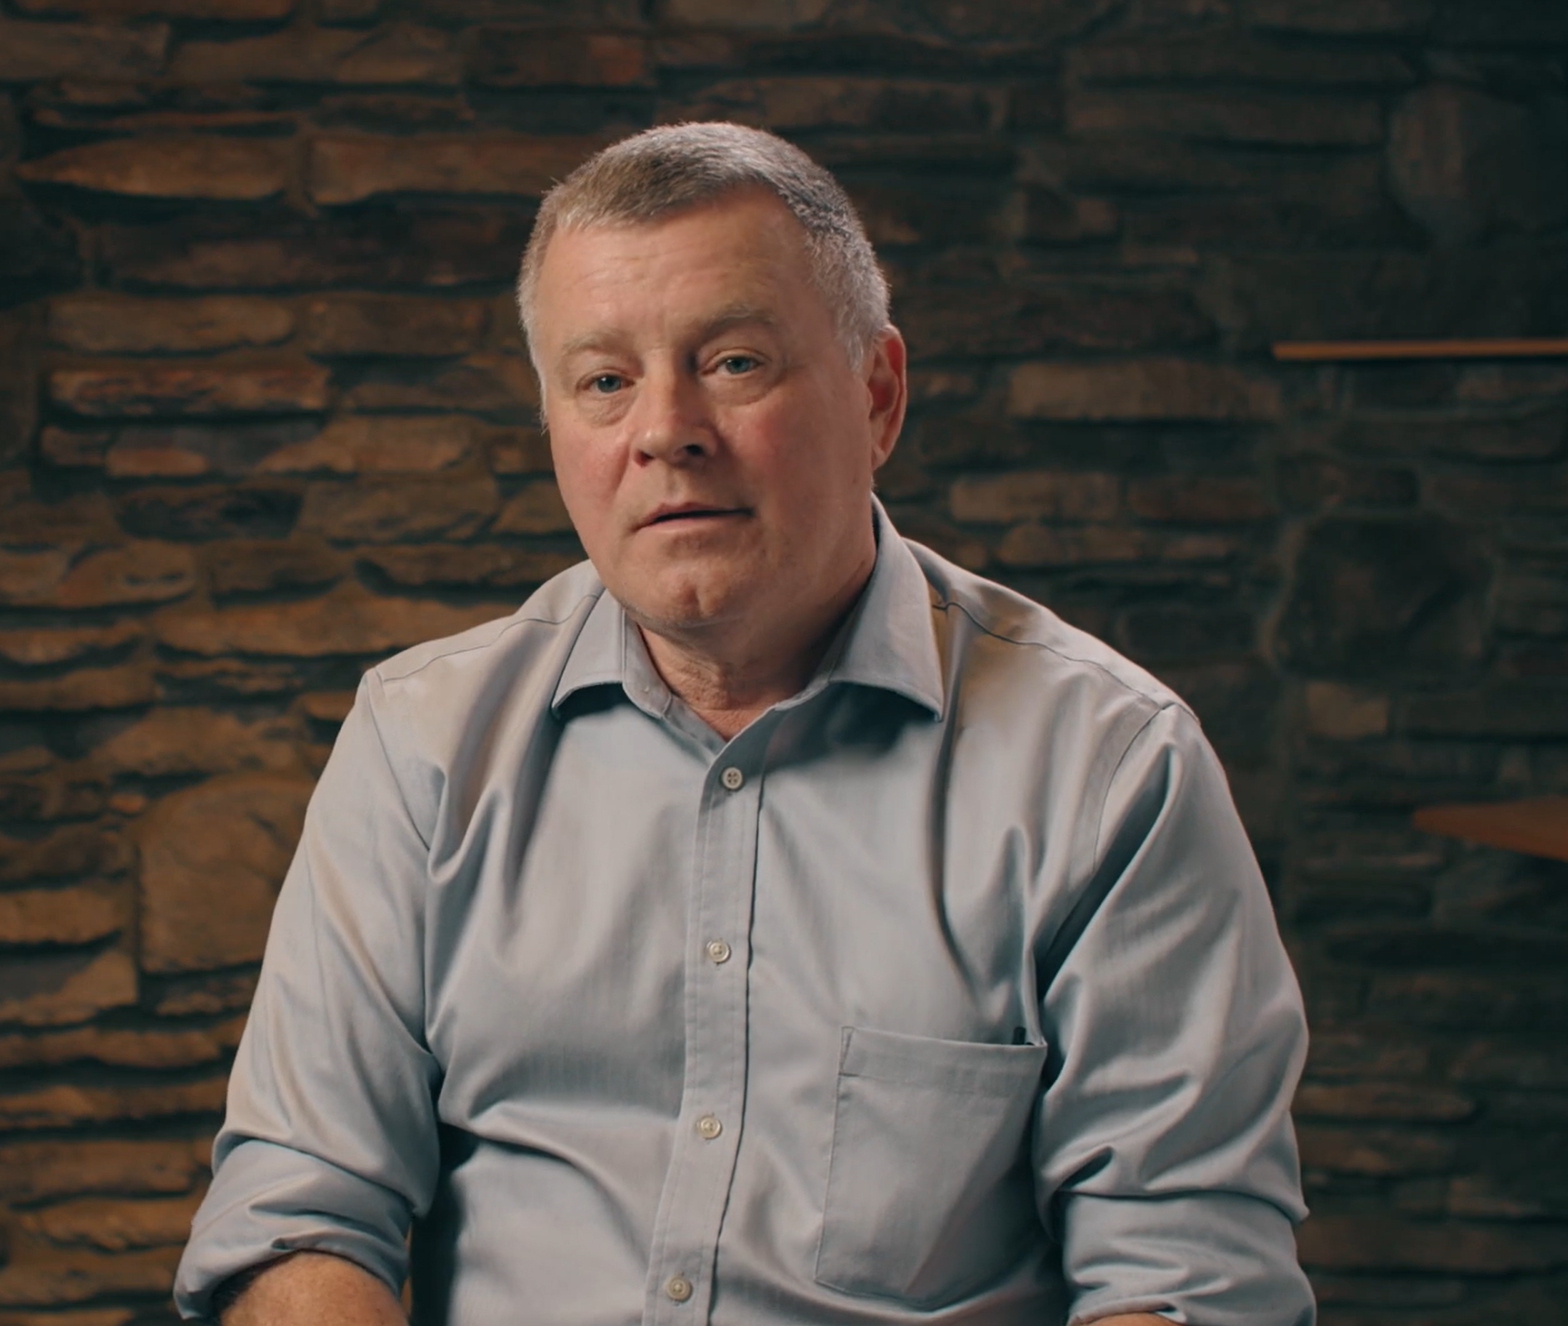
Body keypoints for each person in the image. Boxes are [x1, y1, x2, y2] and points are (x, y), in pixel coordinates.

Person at [174, 122, 1314, 1326]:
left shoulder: (1105, 770)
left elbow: (1184, 1286)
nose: (665, 429)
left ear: (876, 395)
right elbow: (302, 1214)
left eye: (731, 362)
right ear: (555, 423)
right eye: (604, 380)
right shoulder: (422, 744)